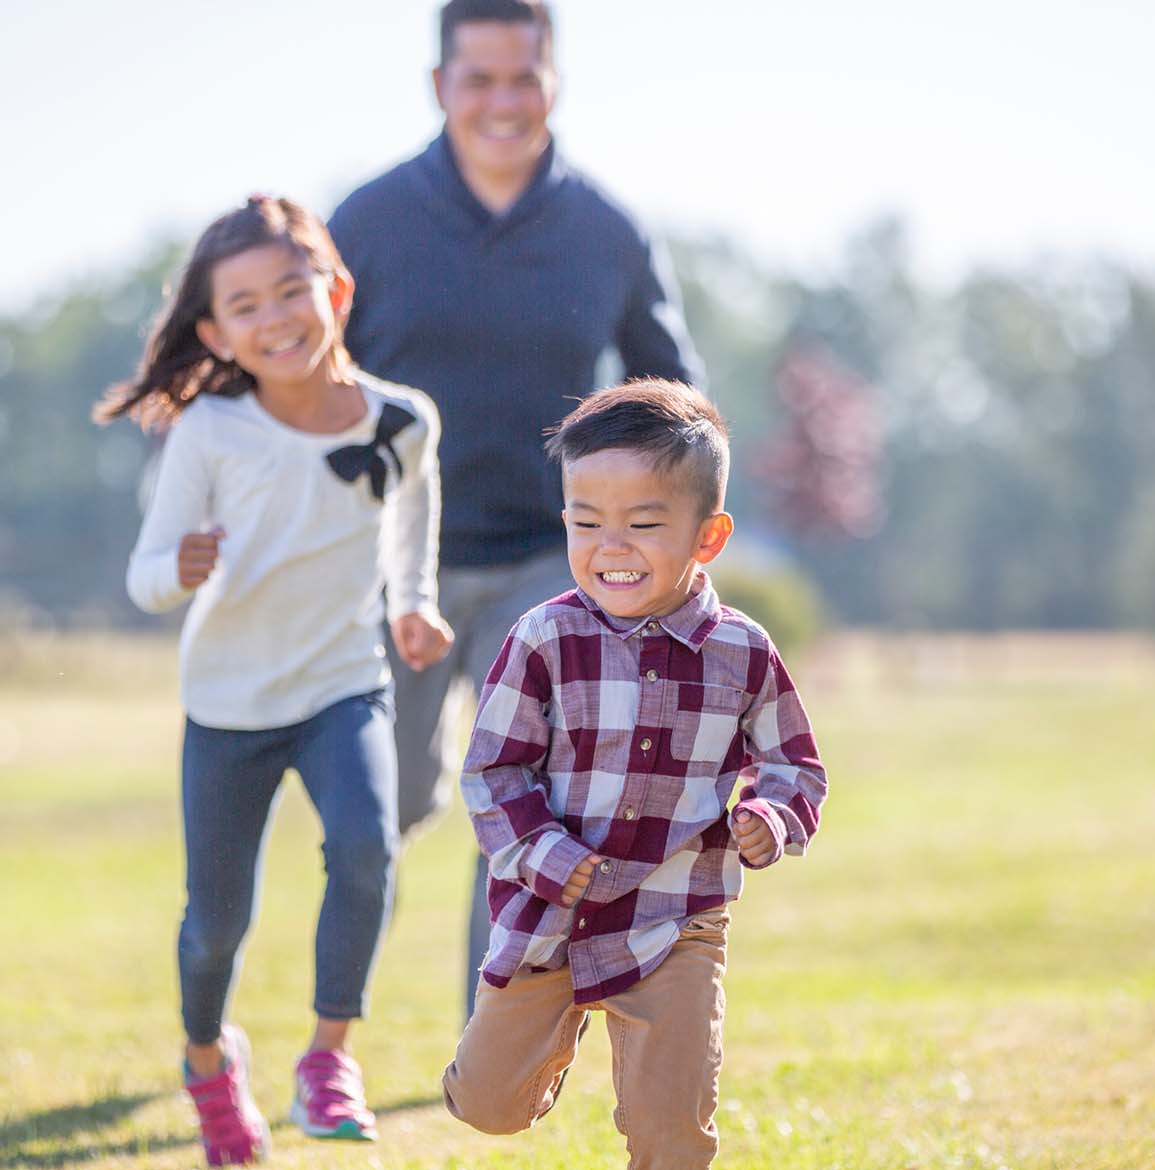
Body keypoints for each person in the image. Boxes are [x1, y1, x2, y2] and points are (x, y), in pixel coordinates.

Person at [327, 0, 705, 1020]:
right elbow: (304, 383)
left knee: (526, 800)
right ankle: (336, 1037)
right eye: (479, 78)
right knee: (383, 809)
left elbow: (674, 396)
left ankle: (488, 1039)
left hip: (553, 557)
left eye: (523, 77)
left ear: (554, 82)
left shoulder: (606, 230)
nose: (503, 100)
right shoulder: (364, 223)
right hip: (396, 560)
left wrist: (670, 537)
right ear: (440, 86)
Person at [97, 196, 453, 1165]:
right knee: (216, 925)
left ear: (334, 291)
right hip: (227, 706)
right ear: (215, 333)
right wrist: (182, 568)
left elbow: (412, 516)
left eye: (291, 290)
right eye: (245, 306)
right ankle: (209, 1062)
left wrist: (412, 603)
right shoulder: (210, 431)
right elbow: (144, 577)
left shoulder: (403, 419)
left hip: (344, 682)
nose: (275, 317)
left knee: (367, 848)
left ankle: (328, 1058)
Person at [441, 379, 827, 1168]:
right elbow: (492, 770)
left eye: (644, 524)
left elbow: (795, 765)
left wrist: (773, 817)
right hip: (554, 912)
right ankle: (537, 1046)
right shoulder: (544, 638)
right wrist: (546, 854)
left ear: (707, 537)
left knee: (673, 1131)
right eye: (587, 523)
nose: (611, 547)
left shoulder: (744, 651)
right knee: (488, 1104)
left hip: (677, 915)